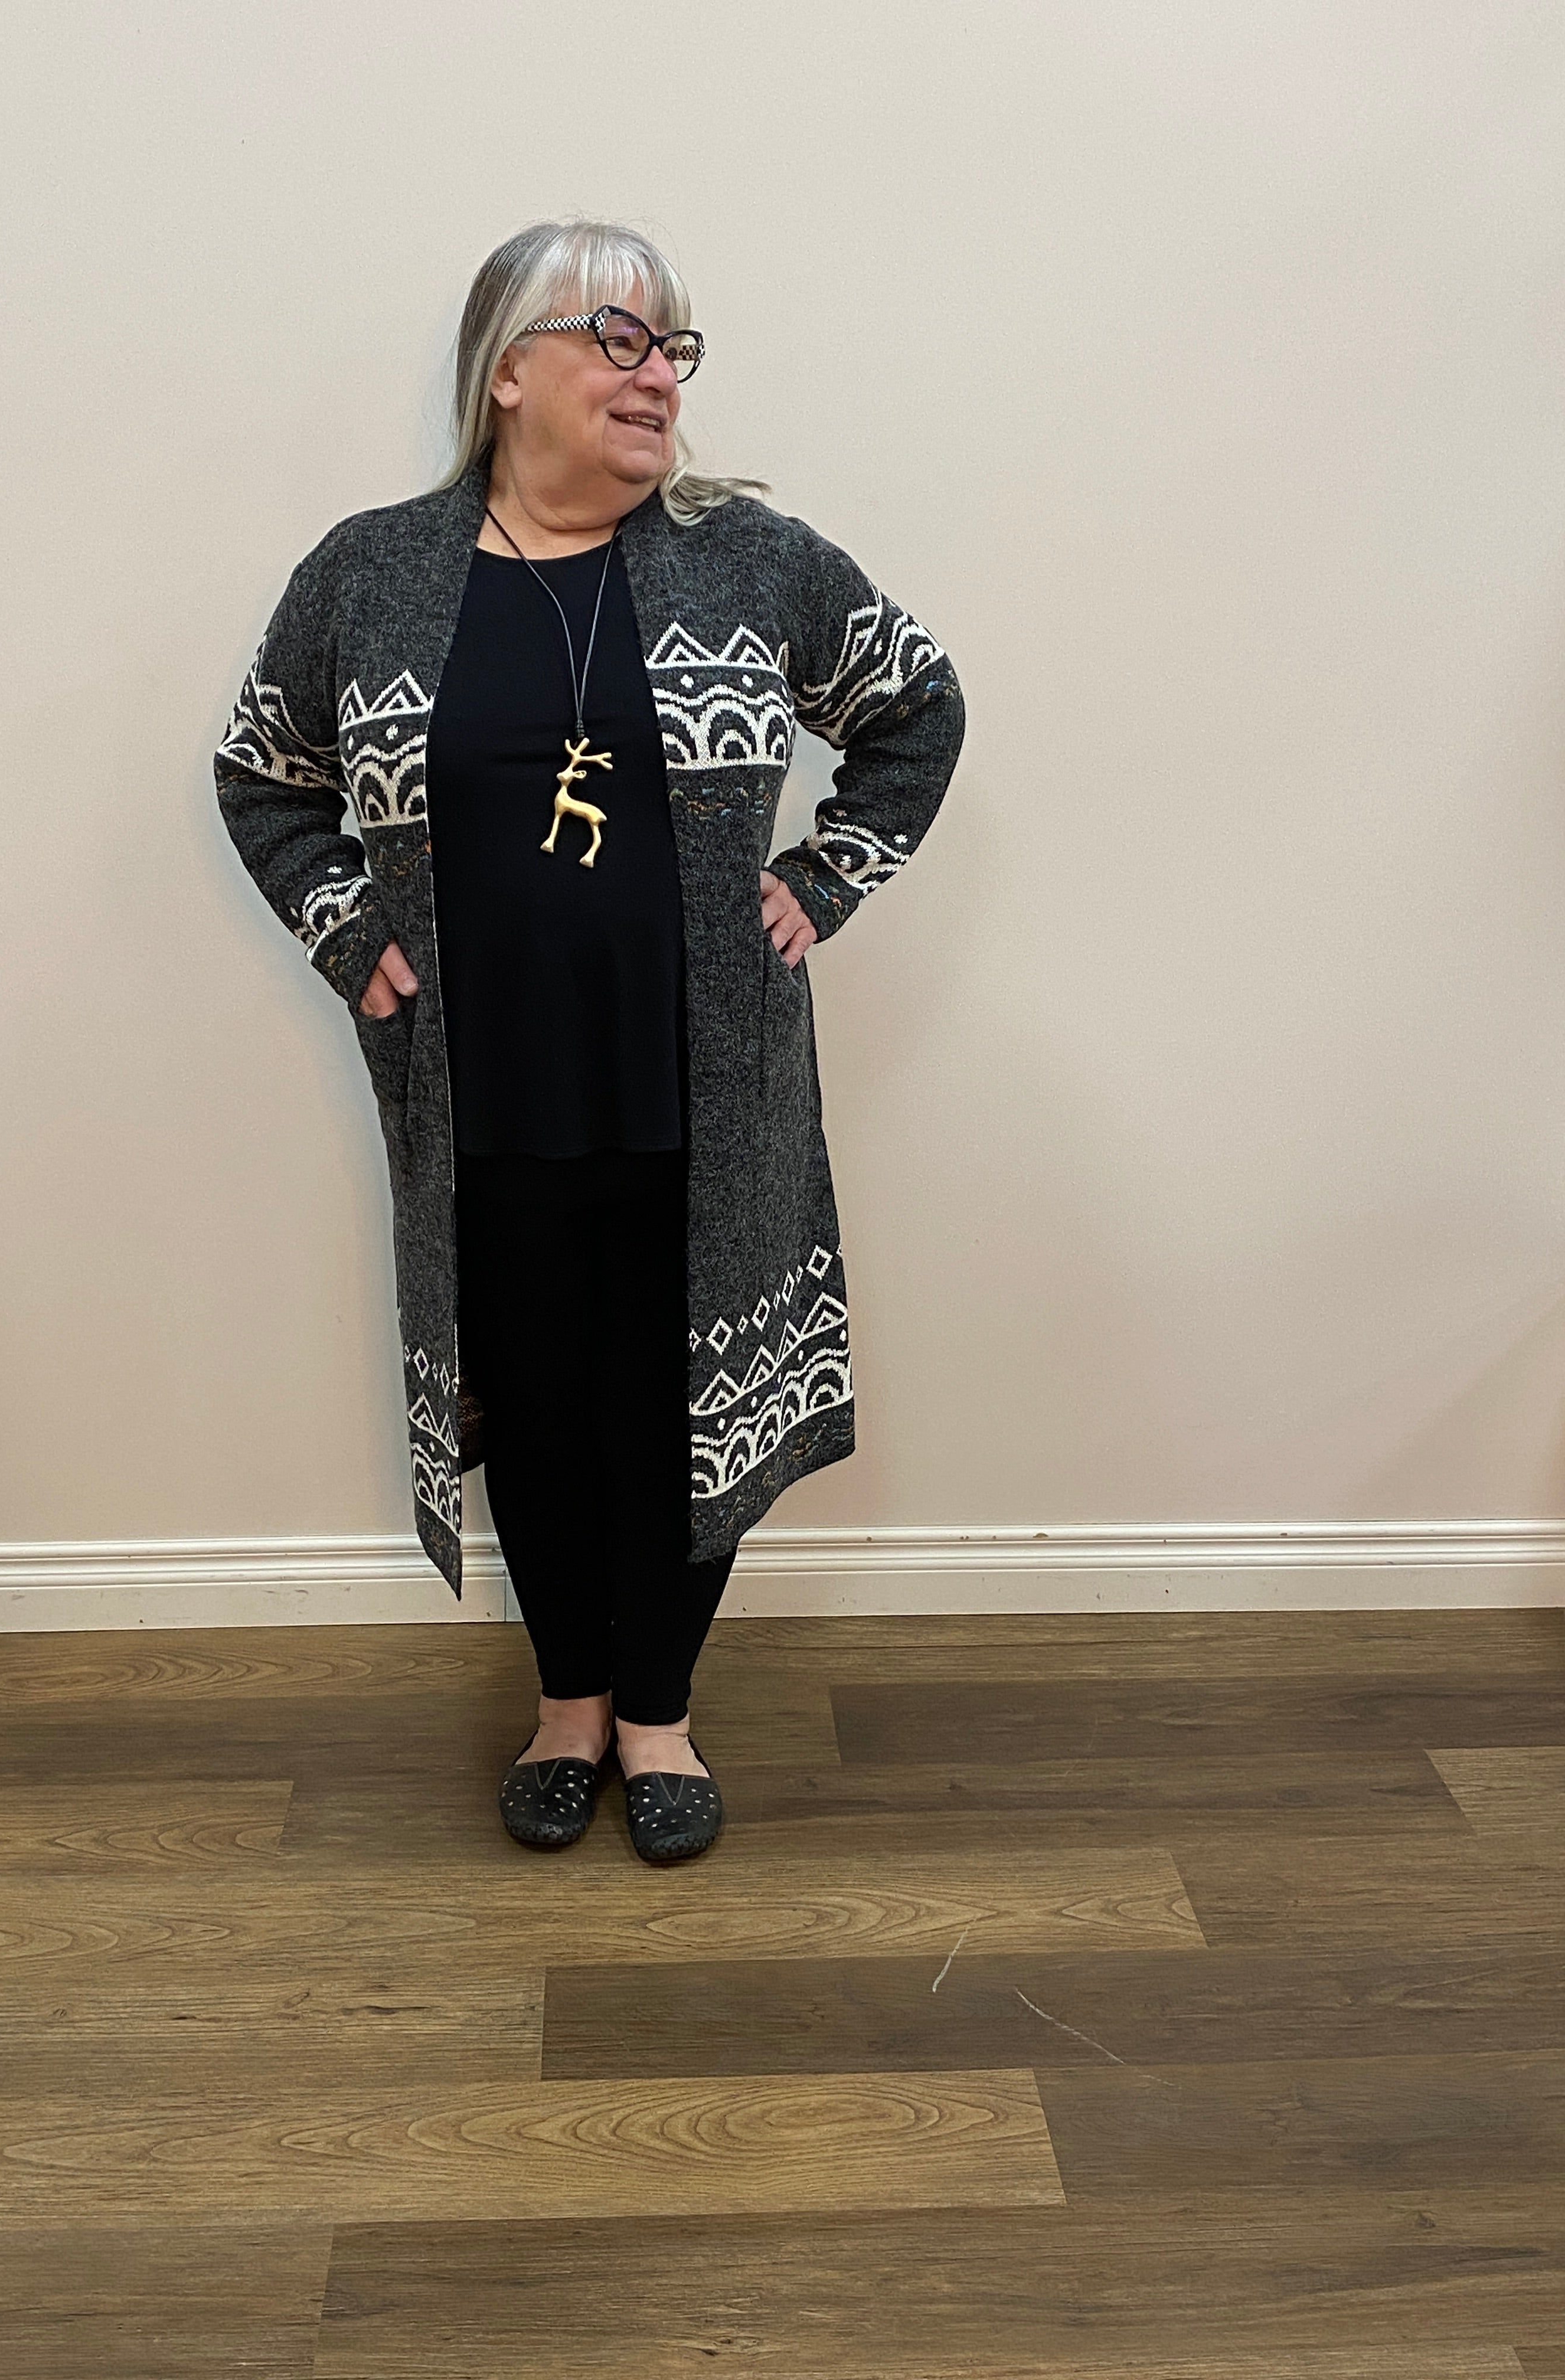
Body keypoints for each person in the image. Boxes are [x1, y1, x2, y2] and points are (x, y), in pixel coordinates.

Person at [214, 218, 965, 1862]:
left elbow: (919, 709)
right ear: (509, 370)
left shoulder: (748, 560)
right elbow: (264, 774)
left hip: (704, 1088)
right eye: (621, 339)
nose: (658, 378)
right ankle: (567, 1700)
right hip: (482, 1090)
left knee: (678, 1400)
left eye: (673, 349)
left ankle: (658, 1714)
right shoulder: (370, 578)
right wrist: (343, 929)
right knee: (540, 1402)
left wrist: (822, 879)